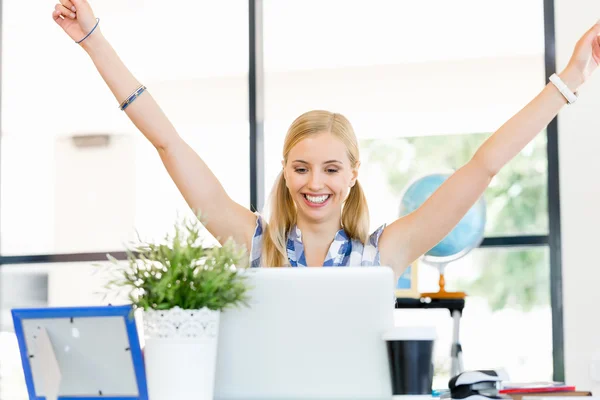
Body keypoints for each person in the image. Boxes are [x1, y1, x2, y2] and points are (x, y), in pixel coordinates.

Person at [52, 0, 600, 279]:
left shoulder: (386, 253)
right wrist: (94, 41)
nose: (315, 184)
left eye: (332, 169)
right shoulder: (251, 243)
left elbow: (482, 166)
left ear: (353, 173)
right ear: (285, 171)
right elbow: (168, 142)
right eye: (302, 167)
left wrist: (569, 81)